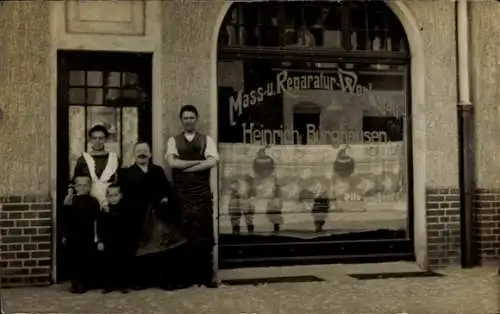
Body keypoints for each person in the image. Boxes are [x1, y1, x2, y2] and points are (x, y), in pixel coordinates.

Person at [165, 104, 219, 288]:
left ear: (196, 119)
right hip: (182, 195)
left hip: (202, 193)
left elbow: (212, 161)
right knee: (184, 235)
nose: (188, 121)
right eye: (185, 118)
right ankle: (186, 277)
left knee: (204, 235)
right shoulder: (173, 140)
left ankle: (206, 277)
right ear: (181, 120)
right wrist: (198, 162)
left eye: (191, 117)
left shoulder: (206, 139)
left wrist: (186, 166)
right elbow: (172, 163)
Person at [118, 141, 176, 289]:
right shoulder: (127, 173)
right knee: (139, 247)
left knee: (160, 246)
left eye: (145, 151)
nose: (142, 154)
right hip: (137, 216)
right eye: (138, 151)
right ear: (134, 154)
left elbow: (167, 190)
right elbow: (125, 196)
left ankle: (160, 279)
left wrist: (165, 198)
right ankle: (140, 281)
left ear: (150, 153)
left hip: (157, 214)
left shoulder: (157, 170)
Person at [60, 175, 101, 294]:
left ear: (89, 187)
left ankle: (84, 283)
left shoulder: (93, 201)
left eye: (85, 185)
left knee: (85, 259)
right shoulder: (70, 200)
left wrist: (96, 236)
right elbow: (64, 218)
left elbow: (96, 219)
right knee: (73, 259)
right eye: (79, 185)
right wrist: (64, 235)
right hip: (73, 235)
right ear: (75, 187)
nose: (82, 188)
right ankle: (75, 283)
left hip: (87, 234)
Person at [96, 184, 134, 294]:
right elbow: (100, 227)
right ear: (106, 197)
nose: (113, 198)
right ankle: (108, 285)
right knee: (108, 263)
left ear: (121, 195)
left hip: (123, 240)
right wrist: (100, 240)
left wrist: (110, 213)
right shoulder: (104, 211)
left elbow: (126, 224)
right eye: (110, 196)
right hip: (109, 241)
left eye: (115, 195)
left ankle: (123, 284)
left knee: (123, 262)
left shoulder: (126, 209)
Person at [72, 124, 121, 208]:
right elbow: (76, 181)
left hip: (110, 201)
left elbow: (119, 180)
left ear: (106, 139)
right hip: (88, 201)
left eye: (101, 138)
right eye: (94, 138)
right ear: (90, 139)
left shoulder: (114, 158)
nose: (98, 141)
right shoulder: (83, 159)